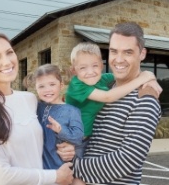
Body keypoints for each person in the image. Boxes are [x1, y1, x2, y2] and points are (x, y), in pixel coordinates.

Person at [0, 33, 74, 185]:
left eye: (9, 53)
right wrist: (55, 176)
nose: (7, 62)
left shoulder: (29, 99)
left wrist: (66, 147)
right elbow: (0, 176)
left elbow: (42, 141)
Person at [73, 22, 162, 184]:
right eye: (114, 51)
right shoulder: (102, 87)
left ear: (142, 54)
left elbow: (127, 159)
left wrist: (73, 168)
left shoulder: (145, 99)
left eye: (128, 52)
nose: (118, 60)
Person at [65, 42, 157, 156]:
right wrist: (142, 79)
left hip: (88, 138)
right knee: (72, 171)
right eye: (83, 67)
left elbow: (126, 75)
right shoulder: (76, 85)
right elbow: (108, 97)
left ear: (101, 65)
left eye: (95, 65)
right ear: (74, 70)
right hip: (73, 141)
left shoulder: (102, 79)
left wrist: (149, 77)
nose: (90, 72)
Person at [26, 64, 85, 185]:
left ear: (61, 85)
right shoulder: (36, 107)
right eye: (41, 86)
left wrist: (60, 130)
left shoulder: (72, 111)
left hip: (61, 171)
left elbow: (78, 137)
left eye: (52, 84)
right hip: (40, 172)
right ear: (36, 89)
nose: (47, 90)